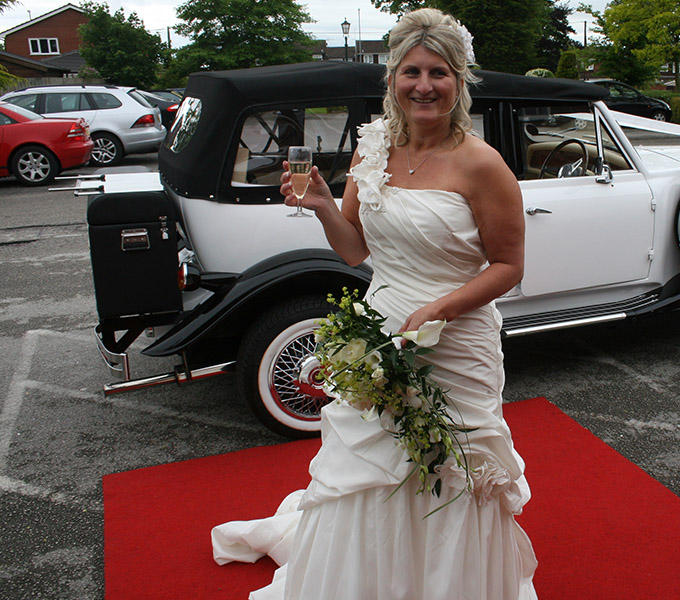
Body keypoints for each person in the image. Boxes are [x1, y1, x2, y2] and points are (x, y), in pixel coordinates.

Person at [211, 8, 538, 599]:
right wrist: (322, 206)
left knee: (452, 468)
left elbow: (509, 267)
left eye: (438, 72)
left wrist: (444, 308)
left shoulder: (481, 164)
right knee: (372, 468)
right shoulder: (372, 151)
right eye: (411, 71)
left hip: (456, 342)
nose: (424, 85)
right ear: (391, 79)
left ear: (459, 81)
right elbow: (356, 247)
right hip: (382, 331)